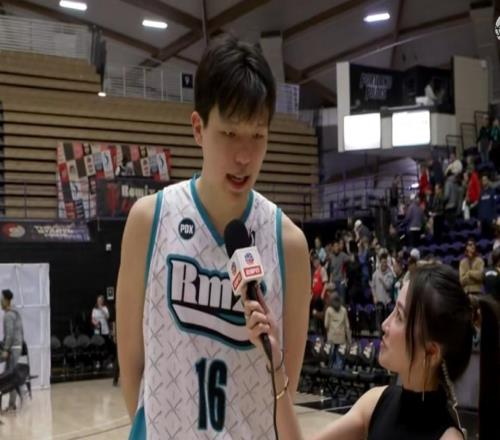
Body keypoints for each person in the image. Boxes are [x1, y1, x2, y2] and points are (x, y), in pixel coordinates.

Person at [116, 35, 310, 439]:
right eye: (230, 134)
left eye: (258, 136)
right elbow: (131, 365)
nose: (244, 156)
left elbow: (286, 387)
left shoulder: (289, 245)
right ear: (198, 128)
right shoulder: (148, 222)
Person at [245, 264, 473, 439]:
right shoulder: (376, 402)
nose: (384, 324)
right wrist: (275, 361)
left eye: (400, 317)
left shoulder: (448, 437)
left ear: (431, 353)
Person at [0, 289, 24, 411]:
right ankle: (12, 403)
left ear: (6, 300)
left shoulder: (9, 315)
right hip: (16, 347)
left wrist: (5, 349)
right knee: (10, 375)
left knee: (10, 376)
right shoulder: (15, 312)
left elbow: (9, 335)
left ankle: (12, 404)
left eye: (1, 299)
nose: (0, 301)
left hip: (12, 348)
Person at [477, 174, 497, 239]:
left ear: (488, 181)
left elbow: (494, 205)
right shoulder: (480, 193)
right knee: (484, 238)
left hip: (490, 219)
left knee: (491, 238)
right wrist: (479, 220)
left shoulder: (492, 191)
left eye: (485, 180)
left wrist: (494, 218)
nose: (484, 181)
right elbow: (479, 207)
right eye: (483, 180)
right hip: (483, 220)